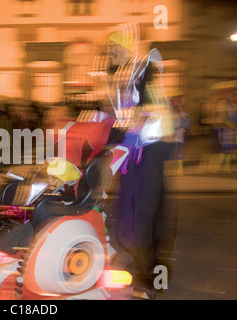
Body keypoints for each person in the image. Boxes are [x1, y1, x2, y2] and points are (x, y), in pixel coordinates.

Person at [105, 22, 176, 299]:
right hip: (133, 154)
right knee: (133, 213)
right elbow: (120, 118)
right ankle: (145, 266)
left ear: (126, 46)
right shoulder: (120, 74)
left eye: (114, 46)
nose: (110, 51)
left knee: (142, 215)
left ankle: (148, 280)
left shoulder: (144, 68)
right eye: (109, 47)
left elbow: (152, 108)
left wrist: (134, 118)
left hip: (151, 150)